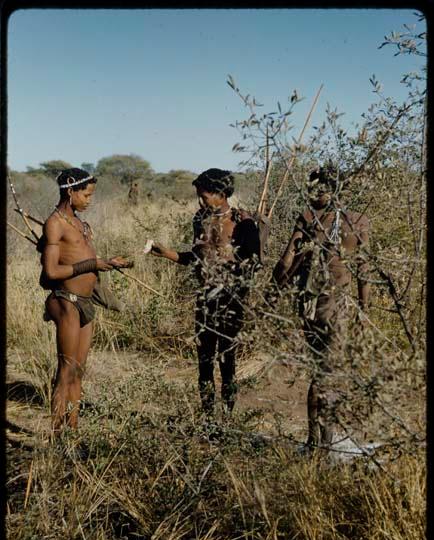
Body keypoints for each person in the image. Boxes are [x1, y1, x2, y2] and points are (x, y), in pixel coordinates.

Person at [147, 168, 260, 424]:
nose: (200, 201)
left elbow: (255, 264)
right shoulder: (200, 219)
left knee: (227, 360)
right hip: (204, 299)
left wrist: (233, 274)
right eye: (199, 196)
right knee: (204, 361)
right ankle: (208, 419)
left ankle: (228, 420)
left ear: (221, 194)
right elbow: (193, 258)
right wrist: (166, 253)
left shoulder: (244, 224)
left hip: (231, 301)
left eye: (204, 195)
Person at [271, 164, 370, 452]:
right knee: (324, 373)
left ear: (331, 190)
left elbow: (363, 270)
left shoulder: (350, 222)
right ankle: (319, 443)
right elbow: (287, 260)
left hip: (322, 305)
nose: (312, 194)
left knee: (322, 373)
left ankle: (317, 442)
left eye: (318, 189)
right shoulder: (328, 219)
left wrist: (272, 295)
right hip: (318, 306)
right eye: (311, 188)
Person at [40, 168, 130, 435]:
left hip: (85, 301)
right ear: (71, 192)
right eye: (86, 194)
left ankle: (73, 431)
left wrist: (108, 263)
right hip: (66, 301)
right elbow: (52, 272)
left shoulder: (80, 224)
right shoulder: (54, 224)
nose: (90, 200)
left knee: (79, 370)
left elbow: (81, 257)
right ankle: (56, 436)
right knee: (65, 369)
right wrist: (92, 264)